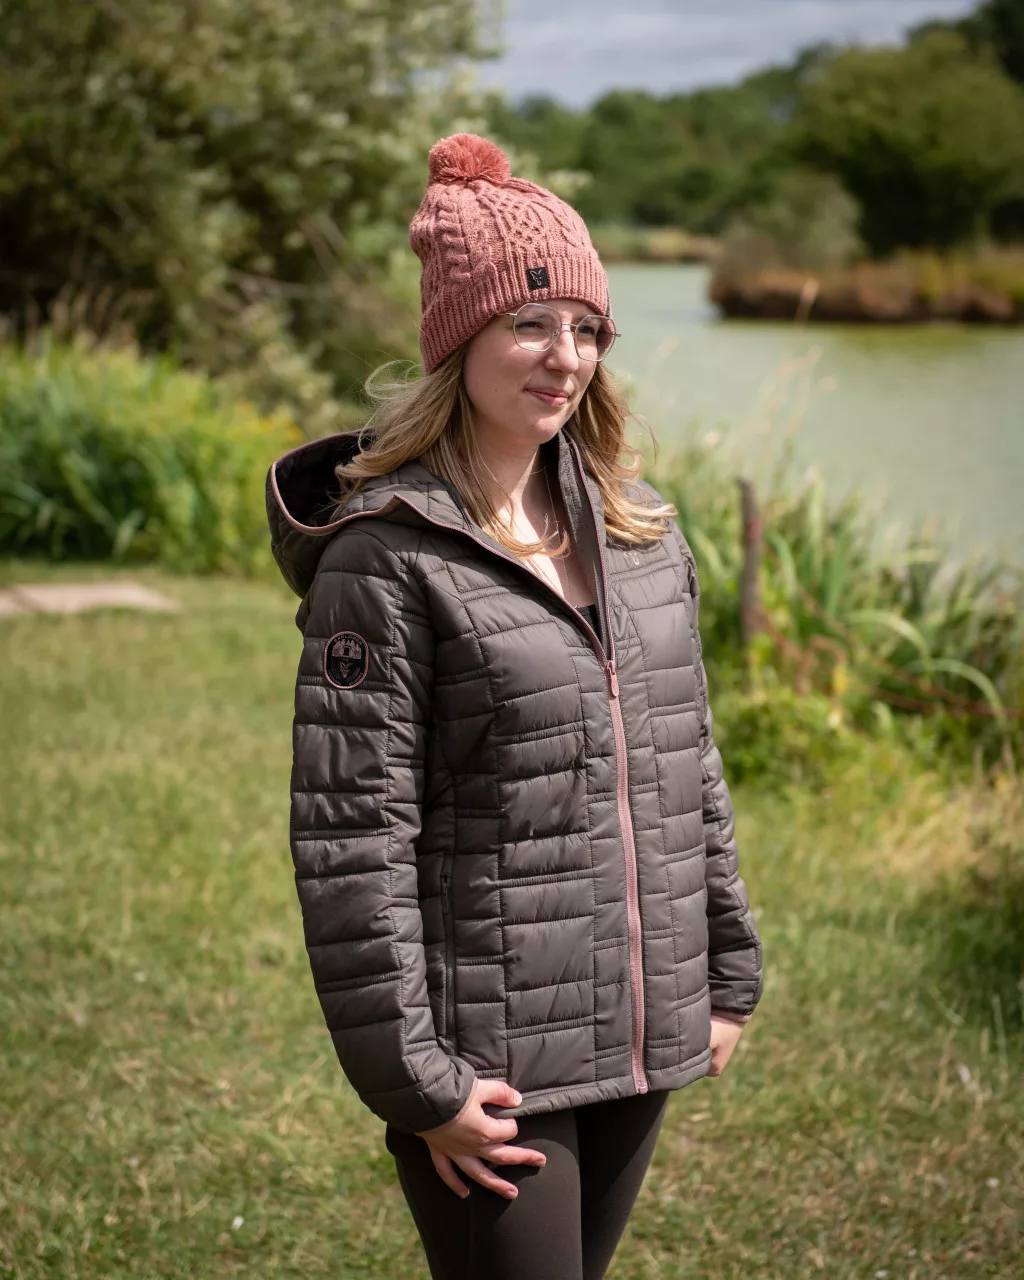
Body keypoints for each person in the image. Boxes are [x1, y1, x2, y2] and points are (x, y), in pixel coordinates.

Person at [266, 133, 763, 1280]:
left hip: (641, 1023)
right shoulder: (386, 558)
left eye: (587, 328)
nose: (565, 356)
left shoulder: (642, 532)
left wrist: (727, 969)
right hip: (484, 1058)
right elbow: (352, 842)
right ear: (458, 339)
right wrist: (418, 1080)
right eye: (531, 323)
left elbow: (685, 761)